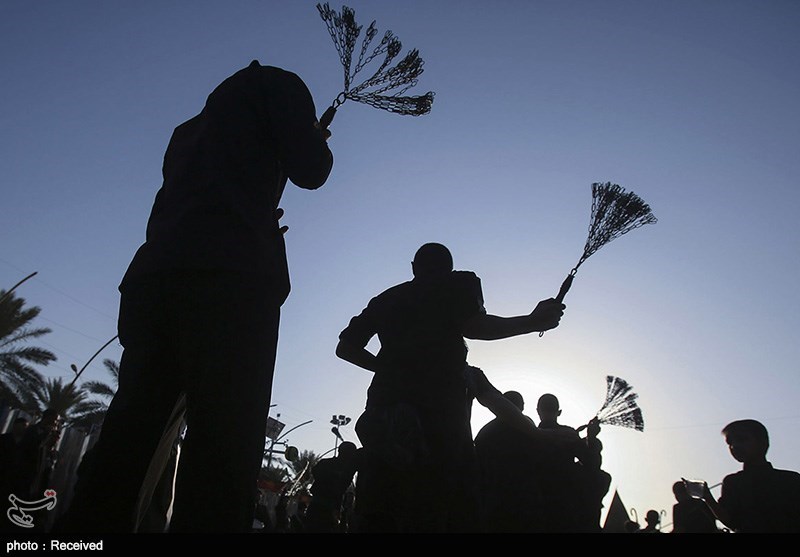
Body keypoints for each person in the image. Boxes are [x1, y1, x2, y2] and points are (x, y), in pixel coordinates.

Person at [59, 60, 333, 533]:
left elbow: (211, 191)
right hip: (231, 285)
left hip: (157, 280)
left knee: (131, 434)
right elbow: (311, 169)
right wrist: (314, 138)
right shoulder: (280, 87)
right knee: (224, 447)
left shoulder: (188, 134)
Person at [336, 243, 565, 532]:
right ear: (450, 270)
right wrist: (531, 322)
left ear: (413, 268)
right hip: (441, 444)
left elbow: (346, 347)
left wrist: (387, 368)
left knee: (379, 513)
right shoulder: (458, 295)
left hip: (383, 430)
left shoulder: (385, 301)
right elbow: (476, 330)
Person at [701, 419, 800, 533]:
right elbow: (731, 520)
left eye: (742, 439)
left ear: (763, 443)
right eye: (730, 443)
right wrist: (707, 496)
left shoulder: (791, 480)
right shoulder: (733, 482)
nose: (735, 446)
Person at [304, 441, 361, 533]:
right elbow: (317, 474)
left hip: (332, 509)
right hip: (320, 507)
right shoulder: (327, 464)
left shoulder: (347, 470)